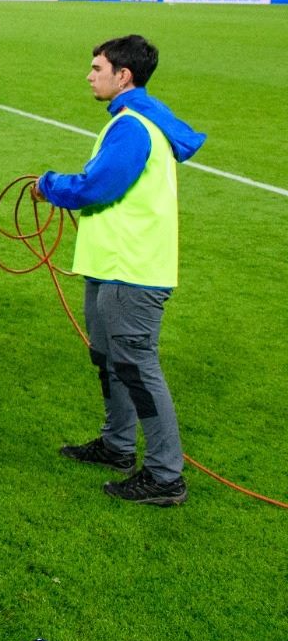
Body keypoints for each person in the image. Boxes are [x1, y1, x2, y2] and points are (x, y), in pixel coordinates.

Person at [33, 35, 204, 506]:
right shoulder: (137, 121)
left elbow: (96, 186)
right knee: (110, 359)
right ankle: (117, 446)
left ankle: (166, 476)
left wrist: (48, 185)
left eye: (96, 67)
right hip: (114, 264)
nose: (89, 75)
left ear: (122, 75)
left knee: (136, 364)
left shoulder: (132, 126)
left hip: (133, 269)